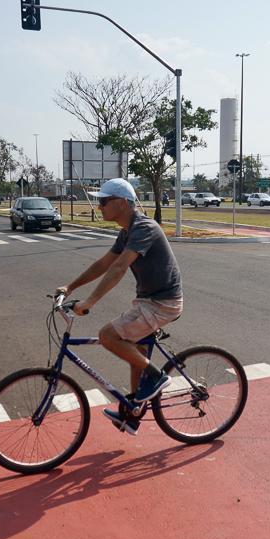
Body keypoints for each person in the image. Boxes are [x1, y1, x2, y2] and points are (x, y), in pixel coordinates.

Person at [56, 178, 183, 436]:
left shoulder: (144, 227)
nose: (98, 206)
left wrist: (89, 302)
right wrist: (70, 288)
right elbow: (104, 263)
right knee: (133, 349)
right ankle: (133, 411)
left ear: (122, 203)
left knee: (108, 335)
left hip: (163, 303)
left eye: (103, 201)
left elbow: (119, 267)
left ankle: (157, 377)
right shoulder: (126, 231)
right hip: (148, 301)